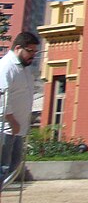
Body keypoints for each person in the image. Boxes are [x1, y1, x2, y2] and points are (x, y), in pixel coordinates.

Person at [0, 32, 39, 183]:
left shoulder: (24, 68)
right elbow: (2, 97)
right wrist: (11, 120)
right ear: (17, 48)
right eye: (30, 51)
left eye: (35, 52)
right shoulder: (6, 67)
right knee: (3, 168)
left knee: (13, 167)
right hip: (6, 129)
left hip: (18, 130)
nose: (33, 55)